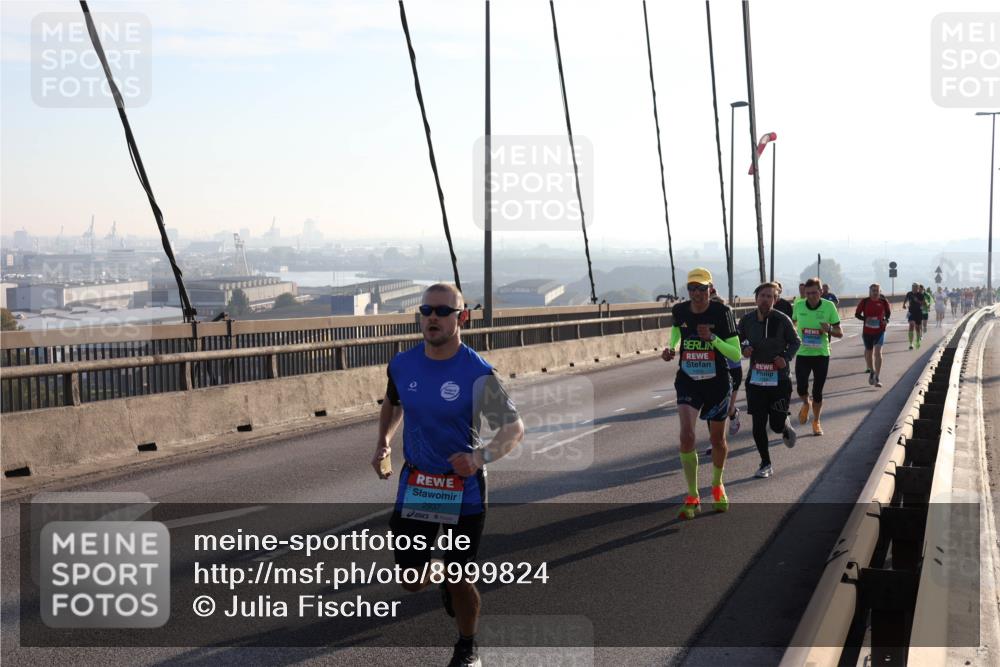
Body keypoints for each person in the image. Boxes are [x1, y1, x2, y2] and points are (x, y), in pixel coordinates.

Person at [374, 282, 525, 667]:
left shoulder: (476, 371)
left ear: (463, 317)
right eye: (426, 311)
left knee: (461, 577)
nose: (433, 319)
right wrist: (384, 443)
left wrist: (480, 458)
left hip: (463, 488)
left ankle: (466, 645)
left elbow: (513, 428)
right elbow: (393, 404)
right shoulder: (403, 363)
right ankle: (444, 574)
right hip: (419, 483)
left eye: (443, 311)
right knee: (411, 579)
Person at [661, 268, 742, 519]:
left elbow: (736, 354)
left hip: (717, 382)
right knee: (686, 436)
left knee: (717, 440)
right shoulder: (680, 310)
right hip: (688, 381)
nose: (697, 293)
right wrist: (671, 347)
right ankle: (692, 495)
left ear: (711, 289)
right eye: (692, 289)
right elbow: (677, 332)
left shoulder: (722, 312)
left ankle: (717, 485)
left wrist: (714, 338)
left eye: (702, 288)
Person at [738, 282, 800, 478]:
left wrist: (786, 357)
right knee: (758, 424)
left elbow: (795, 341)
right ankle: (765, 463)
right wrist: (744, 348)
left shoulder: (782, 320)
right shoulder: (747, 320)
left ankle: (784, 424)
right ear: (756, 298)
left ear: (775, 299)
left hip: (779, 380)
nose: (765, 299)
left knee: (775, 425)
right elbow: (740, 338)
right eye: (762, 295)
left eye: (769, 296)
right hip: (756, 379)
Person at [792, 277, 844, 436]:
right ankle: (805, 403)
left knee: (818, 391)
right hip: (802, 353)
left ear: (821, 292)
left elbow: (840, 333)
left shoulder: (829, 307)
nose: (811, 296)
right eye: (808, 293)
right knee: (801, 388)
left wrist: (828, 330)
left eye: (814, 293)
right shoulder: (799, 305)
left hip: (821, 354)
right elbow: (793, 325)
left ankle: (816, 421)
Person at [855, 283, 891, 388]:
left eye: (877, 290)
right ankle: (871, 371)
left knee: (878, 352)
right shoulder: (865, 301)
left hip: (880, 331)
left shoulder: (883, 301)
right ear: (870, 291)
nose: (875, 292)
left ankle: (877, 377)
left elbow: (888, 313)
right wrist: (865, 319)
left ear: (880, 291)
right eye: (873, 290)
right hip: (867, 332)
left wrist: (885, 320)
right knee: (869, 353)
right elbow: (857, 314)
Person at [902, 283, 925, 349]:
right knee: (911, 325)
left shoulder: (920, 295)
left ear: (918, 288)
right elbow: (906, 299)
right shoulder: (909, 293)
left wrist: (917, 301)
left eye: (915, 287)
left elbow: (923, 303)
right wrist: (904, 304)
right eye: (913, 287)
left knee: (917, 328)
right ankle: (911, 344)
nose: (914, 288)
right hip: (911, 312)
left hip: (918, 312)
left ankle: (917, 342)